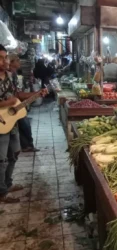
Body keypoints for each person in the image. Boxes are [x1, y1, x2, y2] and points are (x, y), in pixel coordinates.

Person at [0, 44, 47, 203]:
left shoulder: (10, 76)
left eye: (5, 57)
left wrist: (36, 93)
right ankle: (1, 193)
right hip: (0, 124)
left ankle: (7, 183)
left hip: (11, 123)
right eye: (0, 58)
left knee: (14, 154)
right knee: (1, 160)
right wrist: (5, 103)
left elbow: (18, 95)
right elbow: (10, 100)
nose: (4, 61)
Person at [8, 54, 39, 153]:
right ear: (11, 62)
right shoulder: (7, 76)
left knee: (23, 125)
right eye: (17, 60)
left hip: (16, 106)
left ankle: (26, 145)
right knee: (24, 125)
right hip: (9, 107)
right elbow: (17, 94)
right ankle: (25, 145)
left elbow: (17, 94)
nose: (19, 62)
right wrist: (35, 94)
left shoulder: (14, 75)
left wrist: (36, 94)